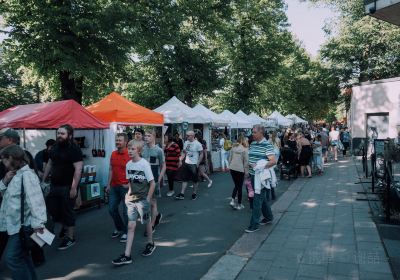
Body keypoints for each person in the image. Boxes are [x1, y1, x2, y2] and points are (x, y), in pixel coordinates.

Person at [0, 145, 47, 280]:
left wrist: (39, 225)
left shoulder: (27, 176)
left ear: (11, 158)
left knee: (13, 258)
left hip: (23, 227)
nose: (2, 163)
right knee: (23, 257)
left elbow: (37, 201)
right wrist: (4, 181)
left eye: (3, 159)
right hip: (14, 225)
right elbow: (7, 197)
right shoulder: (15, 175)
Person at [112, 140, 156, 266]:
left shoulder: (144, 164)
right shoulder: (129, 165)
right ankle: (127, 255)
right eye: (129, 149)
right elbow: (131, 182)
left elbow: (152, 183)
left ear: (139, 151)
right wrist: (128, 194)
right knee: (131, 226)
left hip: (143, 199)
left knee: (146, 221)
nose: (130, 151)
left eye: (132, 149)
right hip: (132, 199)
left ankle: (150, 243)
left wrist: (148, 198)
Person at [42, 124, 83, 250]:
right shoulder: (54, 147)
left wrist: (74, 187)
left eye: (62, 133)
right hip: (54, 185)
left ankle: (70, 238)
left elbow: (78, 169)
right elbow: (49, 163)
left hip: (67, 186)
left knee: (67, 211)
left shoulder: (74, 149)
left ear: (69, 135)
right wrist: (43, 180)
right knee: (53, 210)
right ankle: (65, 227)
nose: (59, 135)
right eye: (58, 133)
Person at [245, 125, 276, 233]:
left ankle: (254, 224)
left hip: (262, 178)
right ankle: (269, 217)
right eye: (252, 132)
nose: (252, 134)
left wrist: (258, 166)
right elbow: (251, 158)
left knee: (257, 200)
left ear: (261, 133)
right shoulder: (252, 143)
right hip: (253, 175)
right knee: (260, 199)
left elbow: (273, 161)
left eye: (254, 132)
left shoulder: (267, 145)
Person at [0, 128, 20, 262]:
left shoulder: (22, 159)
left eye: (2, 138)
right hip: (6, 202)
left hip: (14, 206)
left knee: (14, 255)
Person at [106, 133, 130, 243]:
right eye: (116, 140)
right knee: (111, 209)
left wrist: (130, 185)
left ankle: (126, 231)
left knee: (126, 212)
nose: (117, 142)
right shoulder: (113, 154)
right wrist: (108, 184)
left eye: (120, 140)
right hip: (114, 187)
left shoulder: (130, 154)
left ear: (125, 142)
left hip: (126, 187)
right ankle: (120, 228)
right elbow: (111, 169)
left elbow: (134, 171)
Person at [142, 130, 165, 233]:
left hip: (154, 180)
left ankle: (151, 226)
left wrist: (159, 179)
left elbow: (163, 165)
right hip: (143, 181)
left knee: (153, 202)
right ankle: (157, 215)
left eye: (148, 136)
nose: (146, 137)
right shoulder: (142, 149)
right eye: (145, 136)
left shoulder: (159, 150)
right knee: (147, 202)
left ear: (154, 137)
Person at [175, 131, 203, 200]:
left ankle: (194, 193)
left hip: (194, 164)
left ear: (192, 136)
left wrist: (198, 163)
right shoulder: (186, 142)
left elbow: (201, 154)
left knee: (195, 180)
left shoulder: (197, 144)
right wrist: (180, 159)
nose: (186, 136)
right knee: (184, 179)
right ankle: (182, 194)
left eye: (188, 135)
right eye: (186, 135)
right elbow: (184, 152)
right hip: (186, 163)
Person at [228, 134, 249, 210]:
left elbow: (229, 158)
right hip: (240, 169)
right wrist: (246, 172)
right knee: (239, 187)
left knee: (237, 185)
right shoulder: (244, 149)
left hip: (232, 168)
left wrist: (229, 166)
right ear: (243, 141)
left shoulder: (233, 148)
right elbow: (246, 162)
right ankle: (239, 204)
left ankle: (233, 200)